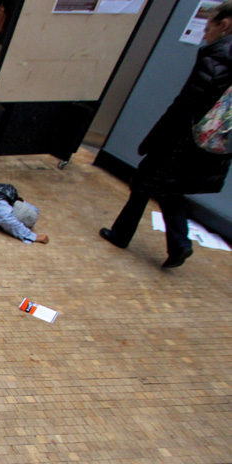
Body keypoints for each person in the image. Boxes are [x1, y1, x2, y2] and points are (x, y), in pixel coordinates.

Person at [100, 3, 232, 269]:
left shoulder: (216, 58)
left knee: (143, 183)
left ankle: (122, 234)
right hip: (209, 143)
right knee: (172, 190)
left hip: (180, 139)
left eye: (208, 28)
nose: (205, 34)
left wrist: (153, 138)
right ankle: (179, 244)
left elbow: (185, 105)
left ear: (224, 25)